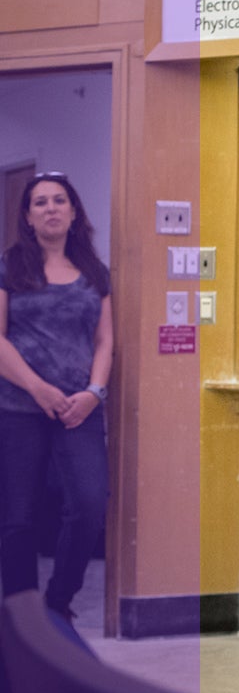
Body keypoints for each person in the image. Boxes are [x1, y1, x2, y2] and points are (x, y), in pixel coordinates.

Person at [0, 172, 113, 623]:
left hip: (78, 411)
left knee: (89, 505)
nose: (50, 208)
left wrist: (93, 392)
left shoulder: (94, 272)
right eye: (40, 202)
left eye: (59, 201)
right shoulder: (10, 267)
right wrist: (38, 387)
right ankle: (21, 612)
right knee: (17, 517)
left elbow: (106, 341)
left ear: (73, 212)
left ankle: (57, 601)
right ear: (27, 216)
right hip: (19, 408)